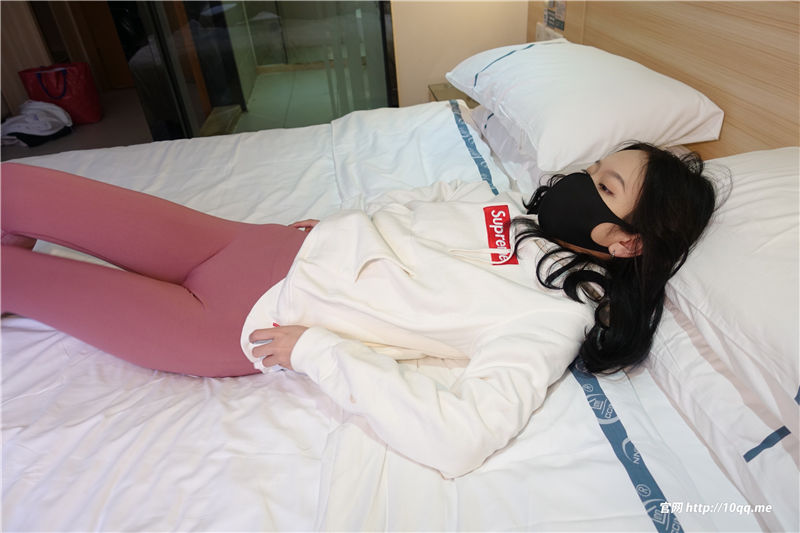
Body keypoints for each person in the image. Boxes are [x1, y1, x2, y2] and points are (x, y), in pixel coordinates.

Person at [0, 142, 716, 477]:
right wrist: (344, 223)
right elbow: (421, 205)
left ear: (627, 242)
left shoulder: (553, 316)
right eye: (594, 168)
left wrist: (317, 351)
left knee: (11, 275)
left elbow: (462, 436)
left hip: (231, 316)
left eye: (605, 186)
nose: (579, 182)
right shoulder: (508, 210)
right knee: (14, 188)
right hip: (245, 242)